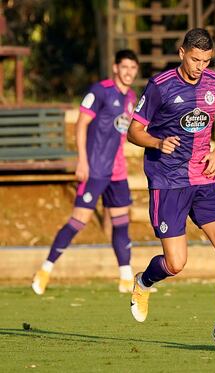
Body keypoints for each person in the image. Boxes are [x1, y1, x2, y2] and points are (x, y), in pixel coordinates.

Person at [127, 28, 215, 336]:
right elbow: (133, 132)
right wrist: (156, 143)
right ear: (181, 53)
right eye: (194, 59)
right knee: (176, 264)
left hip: (204, 178)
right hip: (168, 181)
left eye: (206, 60)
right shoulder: (160, 87)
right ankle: (143, 282)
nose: (199, 66)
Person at [32, 49, 139, 295]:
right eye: (124, 67)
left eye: (133, 68)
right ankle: (45, 270)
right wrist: (82, 160)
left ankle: (126, 278)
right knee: (79, 220)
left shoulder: (132, 97)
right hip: (95, 168)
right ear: (115, 68)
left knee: (121, 223)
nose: (129, 72)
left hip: (117, 172)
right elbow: (81, 124)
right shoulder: (100, 91)